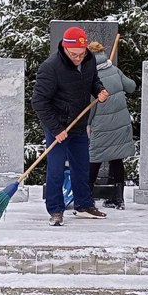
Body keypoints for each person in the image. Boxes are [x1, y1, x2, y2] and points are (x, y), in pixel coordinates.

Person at [32, 27, 110, 227]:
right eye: (74, 54)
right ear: (65, 48)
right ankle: (56, 210)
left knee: (82, 166)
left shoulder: (89, 60)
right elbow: (39, 102)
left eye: (82, 54)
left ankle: (83, 205)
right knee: (56, 169)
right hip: (57, 126)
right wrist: (57, 129)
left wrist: (100, 91)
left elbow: (93, 81)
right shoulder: (51, 67)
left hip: (78, 124)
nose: (78, 58)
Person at [86, 41, 136, 210]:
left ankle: (87, 198)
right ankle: (119, 199)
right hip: (121, 123)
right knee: (116, 159)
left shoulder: (91, 74)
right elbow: (131, 87)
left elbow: (92, 103)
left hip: (101, 124)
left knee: (94, 159)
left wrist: (87, 123)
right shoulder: (114, 70)